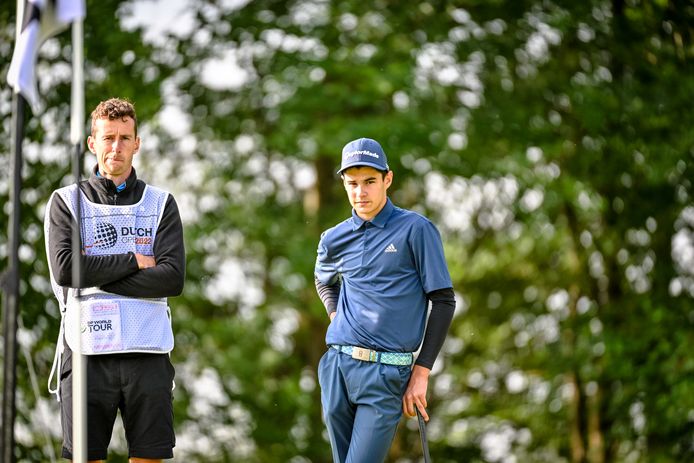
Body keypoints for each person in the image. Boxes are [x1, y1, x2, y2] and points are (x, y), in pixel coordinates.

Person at [44, 98, 185, 462]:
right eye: (108, 138)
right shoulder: (66, 201)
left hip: (147, 351)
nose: (116, 147)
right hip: (88, 350)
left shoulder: (161, 203)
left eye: (125, 138)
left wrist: (95, 274)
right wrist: (135, 261)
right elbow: (66, 269)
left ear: (137, 143)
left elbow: (171, 278)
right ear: (93, 143)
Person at [314, 137, 456, 462]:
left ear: (387, 179)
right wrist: (335, 313)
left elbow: (444, 300)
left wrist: (422, 371)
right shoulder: (333, 238)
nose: (360, 192)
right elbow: (324, 281)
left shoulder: (416, 230)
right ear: (343, 184)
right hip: (337, 366)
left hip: (386, 374)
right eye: (353, 183)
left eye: (369, 182)